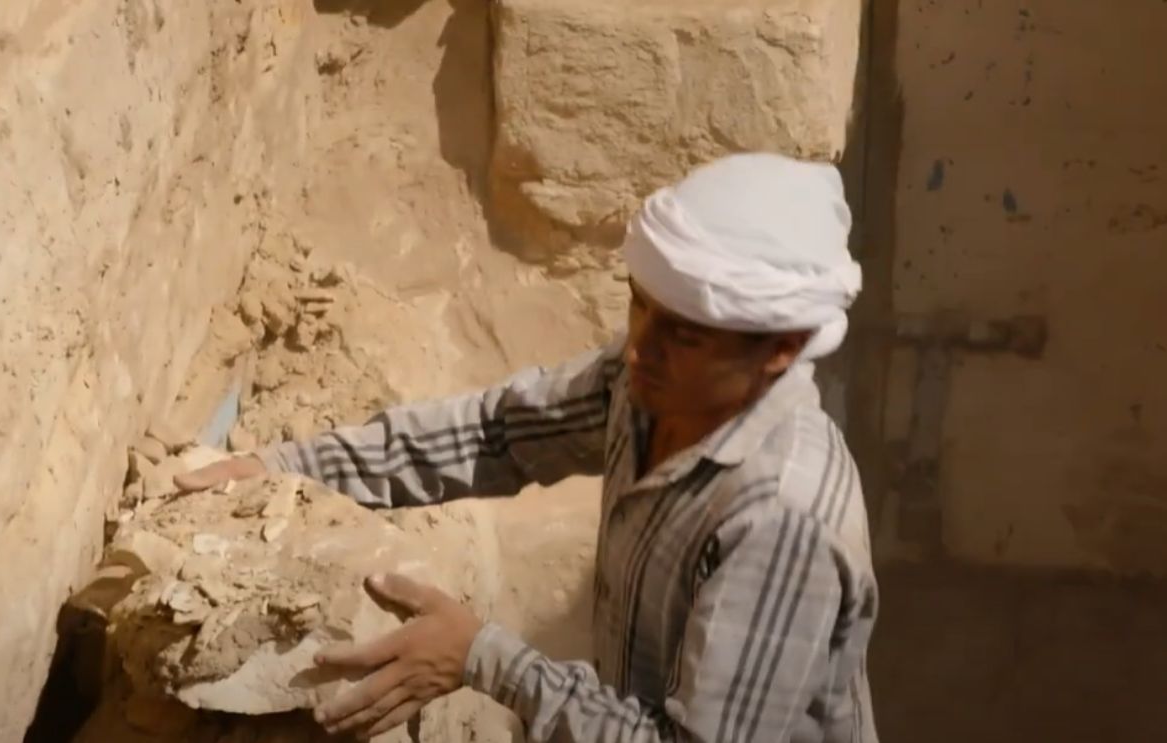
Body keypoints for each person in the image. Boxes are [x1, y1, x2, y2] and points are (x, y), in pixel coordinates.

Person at [176, 152, 879, 742]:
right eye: (638, 302)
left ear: (780, 350)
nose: (640, 346)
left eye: (684, 333)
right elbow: (496, 433)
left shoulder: (783, 519)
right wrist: (279, 470)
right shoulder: (649, 383)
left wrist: (482, 657)